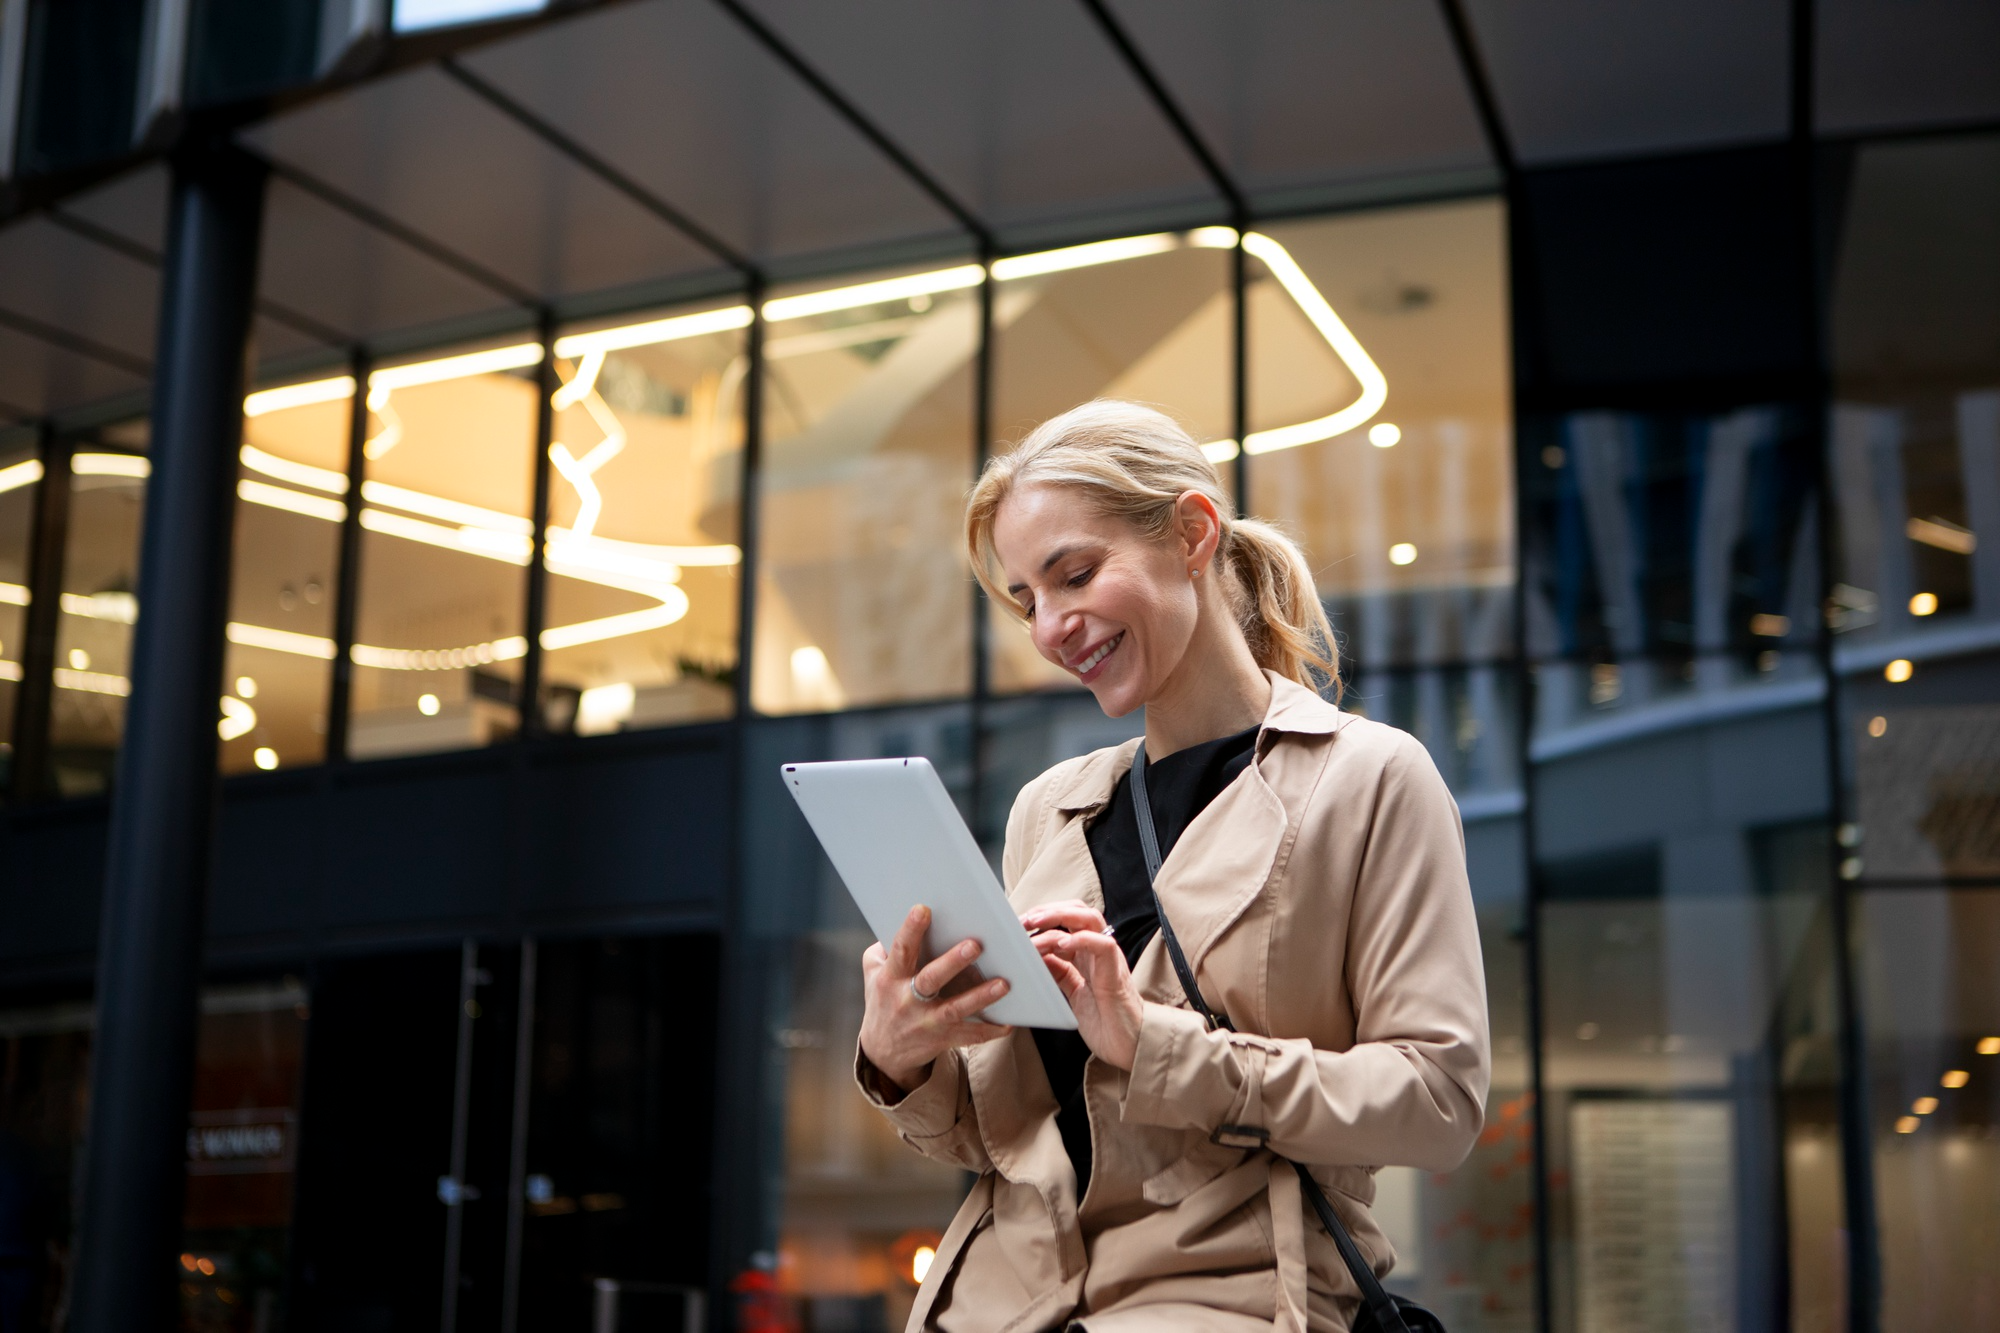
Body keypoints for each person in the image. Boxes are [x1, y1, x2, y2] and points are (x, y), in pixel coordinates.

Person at [855, 400, 1489, 1332]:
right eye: (1030, 598)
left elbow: (1438, 1103)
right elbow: (1008, 1135)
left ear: (1191, 532)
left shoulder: (1368, 778)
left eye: (1075, 575)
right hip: (998, 1300)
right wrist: (902, 1055)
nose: (1051, 628)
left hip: (1234, 1296)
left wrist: (1156, 1045)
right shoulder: (1049, 808)